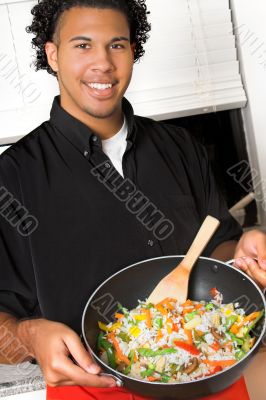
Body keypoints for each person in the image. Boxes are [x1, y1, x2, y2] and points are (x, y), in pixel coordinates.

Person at [0, 0, 265, 398]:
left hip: (214, 372)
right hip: (93, 387)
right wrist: (27, 333)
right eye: (82, 45)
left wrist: (242, 254)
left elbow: (217, 247)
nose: (103, 63)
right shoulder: (13, 177)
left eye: (117, 45)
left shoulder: (180, 145)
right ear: (52, 54)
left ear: (132, 52)